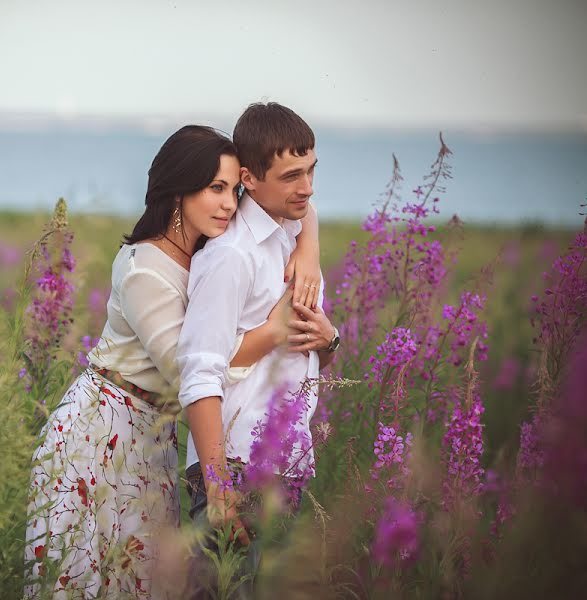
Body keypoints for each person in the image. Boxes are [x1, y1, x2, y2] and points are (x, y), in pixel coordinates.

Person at [24, 124, 322, 599]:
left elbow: (296, 206)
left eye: (234, 188)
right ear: (178, 192)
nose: (230, 203)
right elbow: (192, 370)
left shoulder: (207, 244)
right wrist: (274, 332)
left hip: (154, 438)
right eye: (215, 189)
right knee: (84, 580)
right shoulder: (144, 268)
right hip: (100, 432)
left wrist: (309, 253)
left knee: (145, 582)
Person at [177, 103, 340, 597]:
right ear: (249, 177)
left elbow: (299, 356)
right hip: (238, 469)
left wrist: (327, 340)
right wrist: (218, 486)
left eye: (311, 170)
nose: (307, 187)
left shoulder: (291, 238)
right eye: (292, 175)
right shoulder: (231, 257)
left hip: (288, 464)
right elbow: (200, 373)